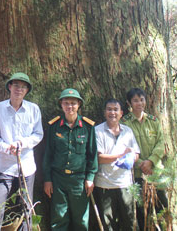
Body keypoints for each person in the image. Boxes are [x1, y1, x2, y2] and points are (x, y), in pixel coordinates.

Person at [0, 73, 43, 231]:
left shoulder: (33, 109)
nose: (19, 89)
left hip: (27, 166)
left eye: (23, 87)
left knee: (27, 205)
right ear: (9, 87)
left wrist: (22, 144)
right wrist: (6, 147)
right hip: (4, 165)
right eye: (16, 85)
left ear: (27, 90)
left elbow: (38, 134)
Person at [43, 88, 98, 231]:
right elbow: (48, 155)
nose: (70, 107)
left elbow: (92, 154)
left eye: (73, 103)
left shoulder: (87, 127)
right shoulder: (54, 126)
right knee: (59, 219)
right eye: (66, 103)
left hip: (79, 180)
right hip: (58, 179)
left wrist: (90, 177)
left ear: (79, 104)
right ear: (61, 105)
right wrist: (47, 179)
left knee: (81, 220)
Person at [122, 88, 168, 231]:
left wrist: (151, 162)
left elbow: (161, 143)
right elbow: (124, 146)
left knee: (162, 207)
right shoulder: (125, 123)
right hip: (137, 174)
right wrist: (141, 163)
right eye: (135, 100)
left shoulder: (153, 121)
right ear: (129, 103)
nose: (139, 103)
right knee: (142, 212)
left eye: (141, 99)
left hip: (156, 173)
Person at [94, 98, 140, 230]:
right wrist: (121, 155)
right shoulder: (97, 131)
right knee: (107, 223)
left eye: (115, 110)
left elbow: (136, 153)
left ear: (121, 113)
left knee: (129, 222)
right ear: (104, 112)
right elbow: (99, 158)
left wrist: (130, 158)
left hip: (125, 184)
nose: (112, 112)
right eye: (109, 109)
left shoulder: (127, 131)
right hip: (104, 184)